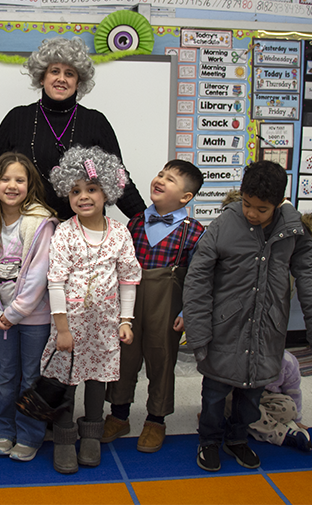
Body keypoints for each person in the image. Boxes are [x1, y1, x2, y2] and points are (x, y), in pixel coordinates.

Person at [183, 160, 312, 473]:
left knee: (251, 393)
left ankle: (237, 439)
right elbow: (197, 278)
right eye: (247, 204)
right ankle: (208, 440)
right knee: (213, 394)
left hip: (268, 328)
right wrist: (198, 333)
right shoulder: (224, 224)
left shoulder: (293, 230)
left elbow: (310, 276)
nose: (252, 213)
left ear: (279, 204)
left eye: (261, 209)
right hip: (226, 328)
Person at [41, 146, 142, 474]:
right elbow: (55, 282)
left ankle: (91, 436)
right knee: (68, 382)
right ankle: (65, 438)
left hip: (105, 327)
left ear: (107, 192)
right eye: (75, 191)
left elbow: (128, 279)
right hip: (71, 327)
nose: (83, 196)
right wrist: (63, 329)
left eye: (92, 189)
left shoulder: (120, 234)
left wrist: (126, 320)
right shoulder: (65, 233)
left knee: (98, 382)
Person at [104, 160, 205, 452]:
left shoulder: (194, 232)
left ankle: (156, 420)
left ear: (186, 197)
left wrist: (188, 312)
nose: (160, 180)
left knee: (162, 362)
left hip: (167, 307)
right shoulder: (134, 223)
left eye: (171, 179)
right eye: (161, 174)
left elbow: (199, 278)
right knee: (125, 358)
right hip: (130, 303)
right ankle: (119, 415)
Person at [0, 37, 145, 220]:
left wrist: (147, 223)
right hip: (28, 230)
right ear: (41, 78)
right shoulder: (17, 118)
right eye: (55, 71)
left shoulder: (96, 122)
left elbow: (118, 178)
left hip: (84, 231)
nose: (61, 79)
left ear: (78, 82)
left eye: (69, 74)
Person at [0, 152, 57, 461]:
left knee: (31, 376)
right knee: (7, 375)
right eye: (5, 179)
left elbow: (38, 276)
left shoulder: (40, 223)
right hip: (0, 318)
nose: (12, 185)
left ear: (29, 185)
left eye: (19, 180)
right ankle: (4, 429)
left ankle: (30, 434)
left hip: (34, 317)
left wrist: (14, 313)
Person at [226, 350, 312, 451]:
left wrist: (297, 420)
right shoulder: (240, 355)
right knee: (234, 404)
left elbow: (294, 392)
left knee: (289, 408)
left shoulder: (287, 361)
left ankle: (249, 423)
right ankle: (281, 435)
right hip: (239, 396)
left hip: (268, 398)